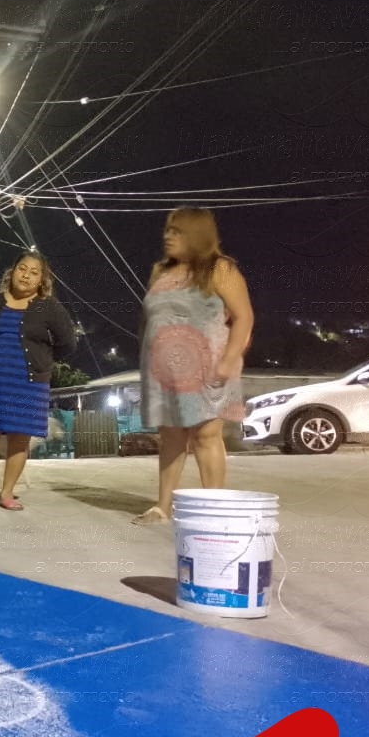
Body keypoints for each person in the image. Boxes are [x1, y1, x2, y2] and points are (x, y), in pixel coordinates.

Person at [132, 207, 254, 525]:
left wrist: (229, 359)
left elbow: (244, 317)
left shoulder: (220, 269)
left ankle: (213, 507)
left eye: (176, 231)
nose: (167, 236)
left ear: (196, 235)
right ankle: (163, 506)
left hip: (207, 368)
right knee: (171, 437)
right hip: (163, 374)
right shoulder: (160, 272)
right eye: (167, 230)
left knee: (205, 435)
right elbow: (149, 320)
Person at [0, 250, 78, 513]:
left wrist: (43, 360)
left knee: (19, 439)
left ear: (42, 280)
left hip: (29, 383)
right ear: (12, 271)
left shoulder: (49, 307)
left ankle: (7, 494)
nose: (26, 275)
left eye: (34, 273)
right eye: (22, 268)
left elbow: (68, 342)